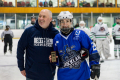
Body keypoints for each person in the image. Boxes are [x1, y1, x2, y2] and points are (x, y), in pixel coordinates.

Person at [49, 11, 100, 80]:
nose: (65, 24)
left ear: (71, 22)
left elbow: (92, 48)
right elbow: (55, 58)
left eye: (67, 21)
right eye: (62, 21)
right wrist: (54, 60)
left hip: (82, 76)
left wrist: (95, 65)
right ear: (59, 23)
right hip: (64, 77)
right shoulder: (56, 38)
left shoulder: (80, 34)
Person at [17, 9, 59, 80]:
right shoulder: (29, 31)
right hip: (31, 75)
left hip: (48, 75)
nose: (41, 18)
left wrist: (55, 59)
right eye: (40, 16)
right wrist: (21, 67)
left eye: (44, 16)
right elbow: (20, 48)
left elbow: (58, 51)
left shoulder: (55, 33)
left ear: (50, 19)